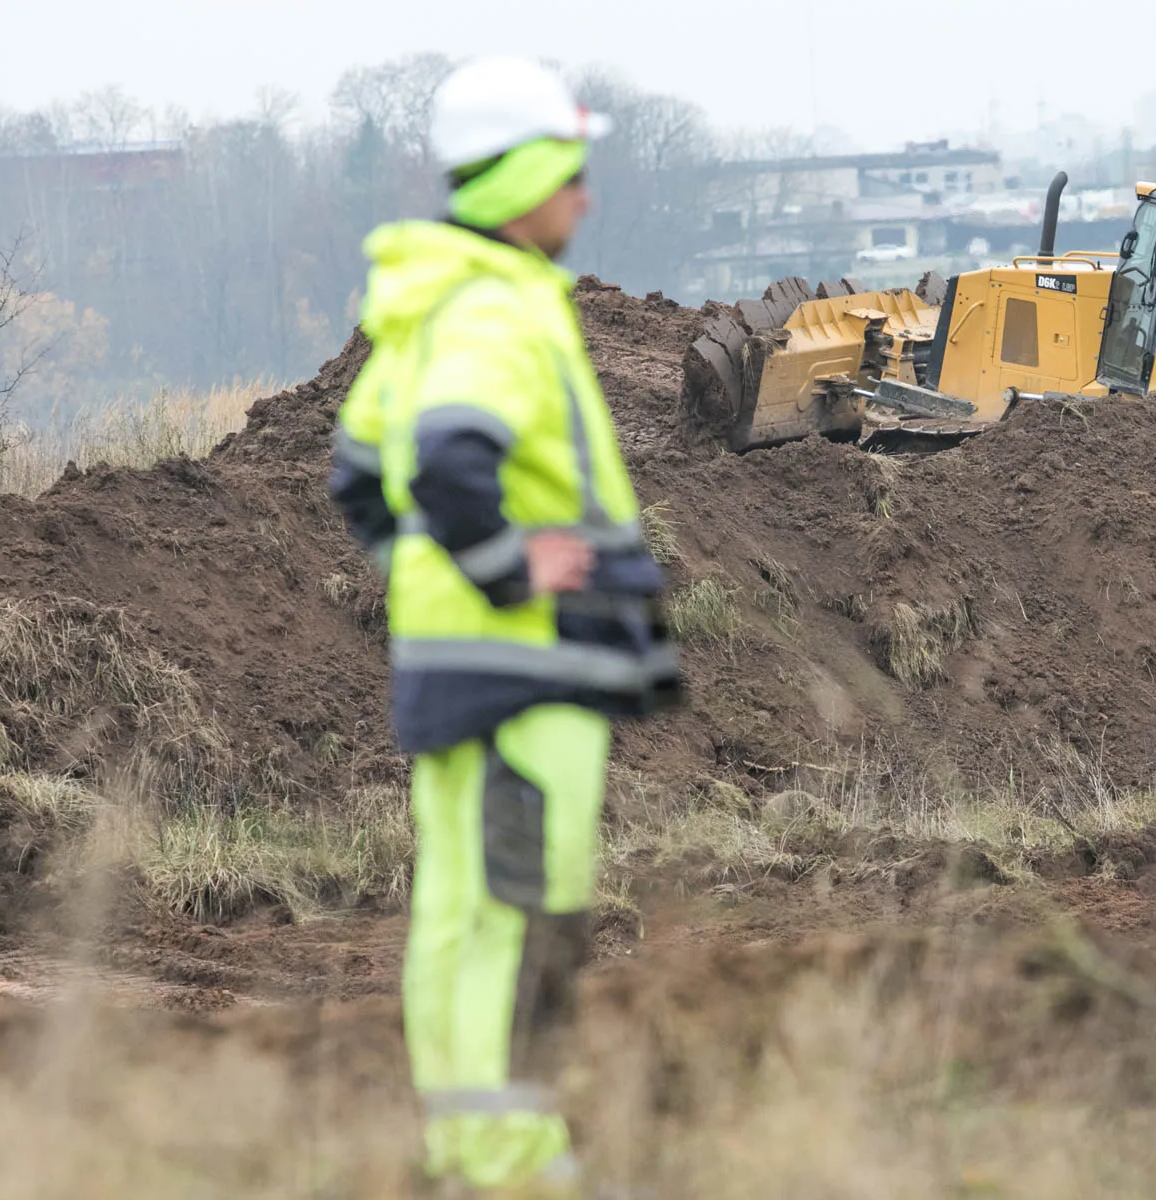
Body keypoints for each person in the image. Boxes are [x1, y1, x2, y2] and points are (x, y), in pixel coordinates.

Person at [330, 56, 680, 1195]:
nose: (585, 195)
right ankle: (507, 1164)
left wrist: (425, 575)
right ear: (527, 173)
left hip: (460, 661)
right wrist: (504, 567)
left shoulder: (428, 304)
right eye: (572, 168)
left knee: (463, 913)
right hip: (522, 664)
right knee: (524, 920)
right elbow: (445, 458)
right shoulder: (491, 306)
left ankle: (469, 1148)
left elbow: (358, 471)